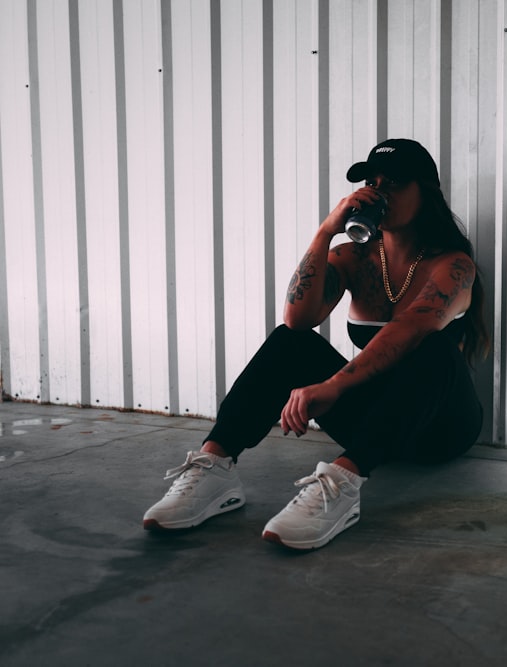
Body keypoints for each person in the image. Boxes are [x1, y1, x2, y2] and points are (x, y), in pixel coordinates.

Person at [143, 138, 489, 550]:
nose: (379, 192)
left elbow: (411, 329)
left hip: (441, 429)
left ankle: (340, 482)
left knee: (432, 348)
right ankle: (215, 465)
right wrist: (326, 230)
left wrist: (334, 385)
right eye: (372, 182)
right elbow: (298, 318)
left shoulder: (453, 265)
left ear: (426, 191)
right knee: (290, 341)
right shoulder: (354, 258)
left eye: (393, 183)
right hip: (376, 423)